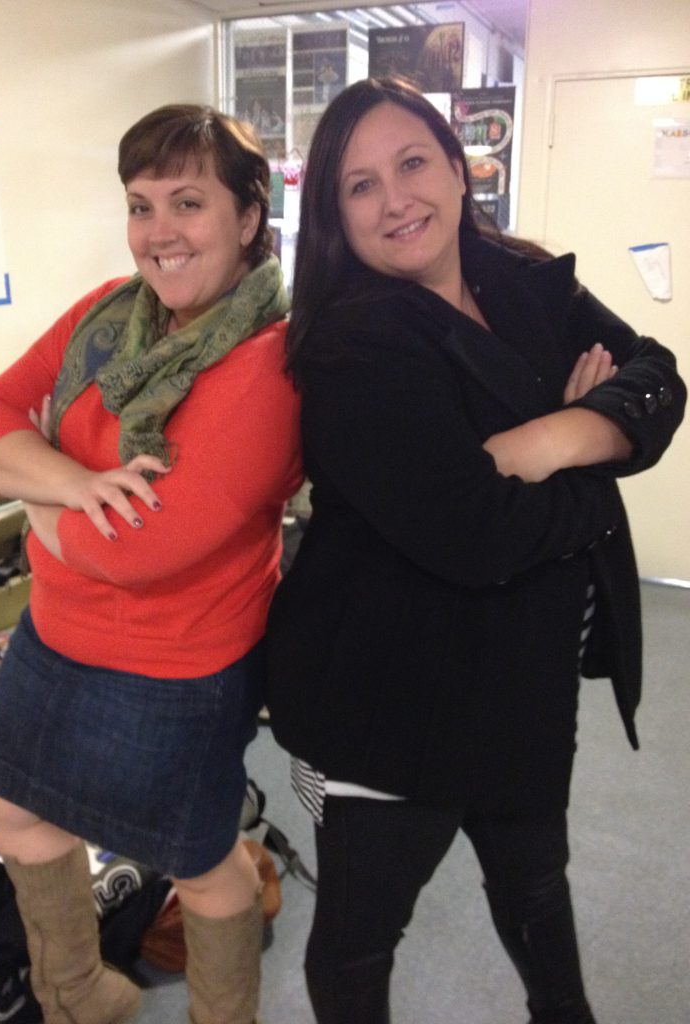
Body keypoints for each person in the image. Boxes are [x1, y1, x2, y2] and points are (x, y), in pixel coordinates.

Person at [264, 76, 686, 1024]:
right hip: (388, 696)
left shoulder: (527, 279)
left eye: (413, 162)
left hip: (522, 681)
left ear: (458, 171)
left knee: (537, 890)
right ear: (335, 215)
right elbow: (474, 534)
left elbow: (658, 385)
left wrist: (547, 438)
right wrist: (590, 445)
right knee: (360, 942)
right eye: (360, 186)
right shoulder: (350, 346)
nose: (396, 198)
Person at [0, 103, 302, 1024]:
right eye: (140, 205)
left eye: (187, 203)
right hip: (56, 632)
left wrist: (32, 499)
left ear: (247, 216)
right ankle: (80, 993)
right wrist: (75, 483)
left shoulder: (271, 367)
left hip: (178, 663)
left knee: (200, 860)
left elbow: (140, 553)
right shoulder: (107, 316)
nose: (159, 234)